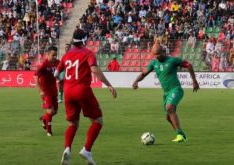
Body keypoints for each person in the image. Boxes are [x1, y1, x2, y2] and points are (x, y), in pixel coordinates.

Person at [55, 29, 117, 165]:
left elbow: (56, 73)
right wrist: (109, 85)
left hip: (68, 92)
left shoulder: (66, 55)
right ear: (84, 40)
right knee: (97, 121)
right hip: (82, 90)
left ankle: (67, 149)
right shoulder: (88, 53)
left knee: (72, 124)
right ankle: (86, 150)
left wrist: (61, 83)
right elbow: (94, 70)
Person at [132, 43, 200, 143]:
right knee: (168, 117)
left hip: (176, 90)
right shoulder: (153, 63)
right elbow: (143, 73)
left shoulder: (173, 60)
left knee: (169, 108)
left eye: (158, 54)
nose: (156, 56)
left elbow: (188, 65)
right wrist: (136, 81)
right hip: (166, 93)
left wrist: (194, 80)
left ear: (163, 52)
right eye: (154, 54)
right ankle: (180, 133)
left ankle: (179, 135)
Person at [35, 46, 60, 137]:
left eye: (55, 55)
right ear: (48, 54)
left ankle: (44, 118)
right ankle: (49, 131)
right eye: (53, 55)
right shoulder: (44, 64)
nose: (54, 57)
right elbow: (35, 76)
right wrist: (40, 90)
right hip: (46, 91)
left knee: (55, 111)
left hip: (53, 89)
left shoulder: (57, 62)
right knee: (50, 110)